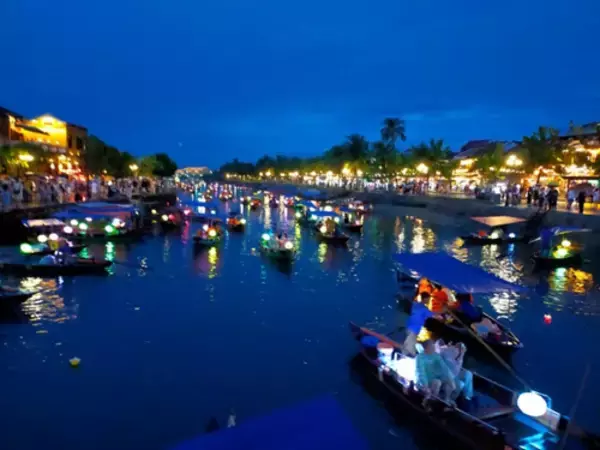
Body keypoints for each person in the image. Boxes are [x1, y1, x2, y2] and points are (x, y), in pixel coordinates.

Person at [415, 339, 457, 405]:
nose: (434, 347)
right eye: (432, 346)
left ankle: (446, 399)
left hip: (434, 377)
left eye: (433, 345)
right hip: (423, 382)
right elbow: (420, 373)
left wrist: (451, 379)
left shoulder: (436, 355)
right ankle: (430, 401)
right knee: (437, 382)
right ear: (427, 348)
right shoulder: (420, 358)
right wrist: (425, 386)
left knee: (449, 381)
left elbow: (444, 367)